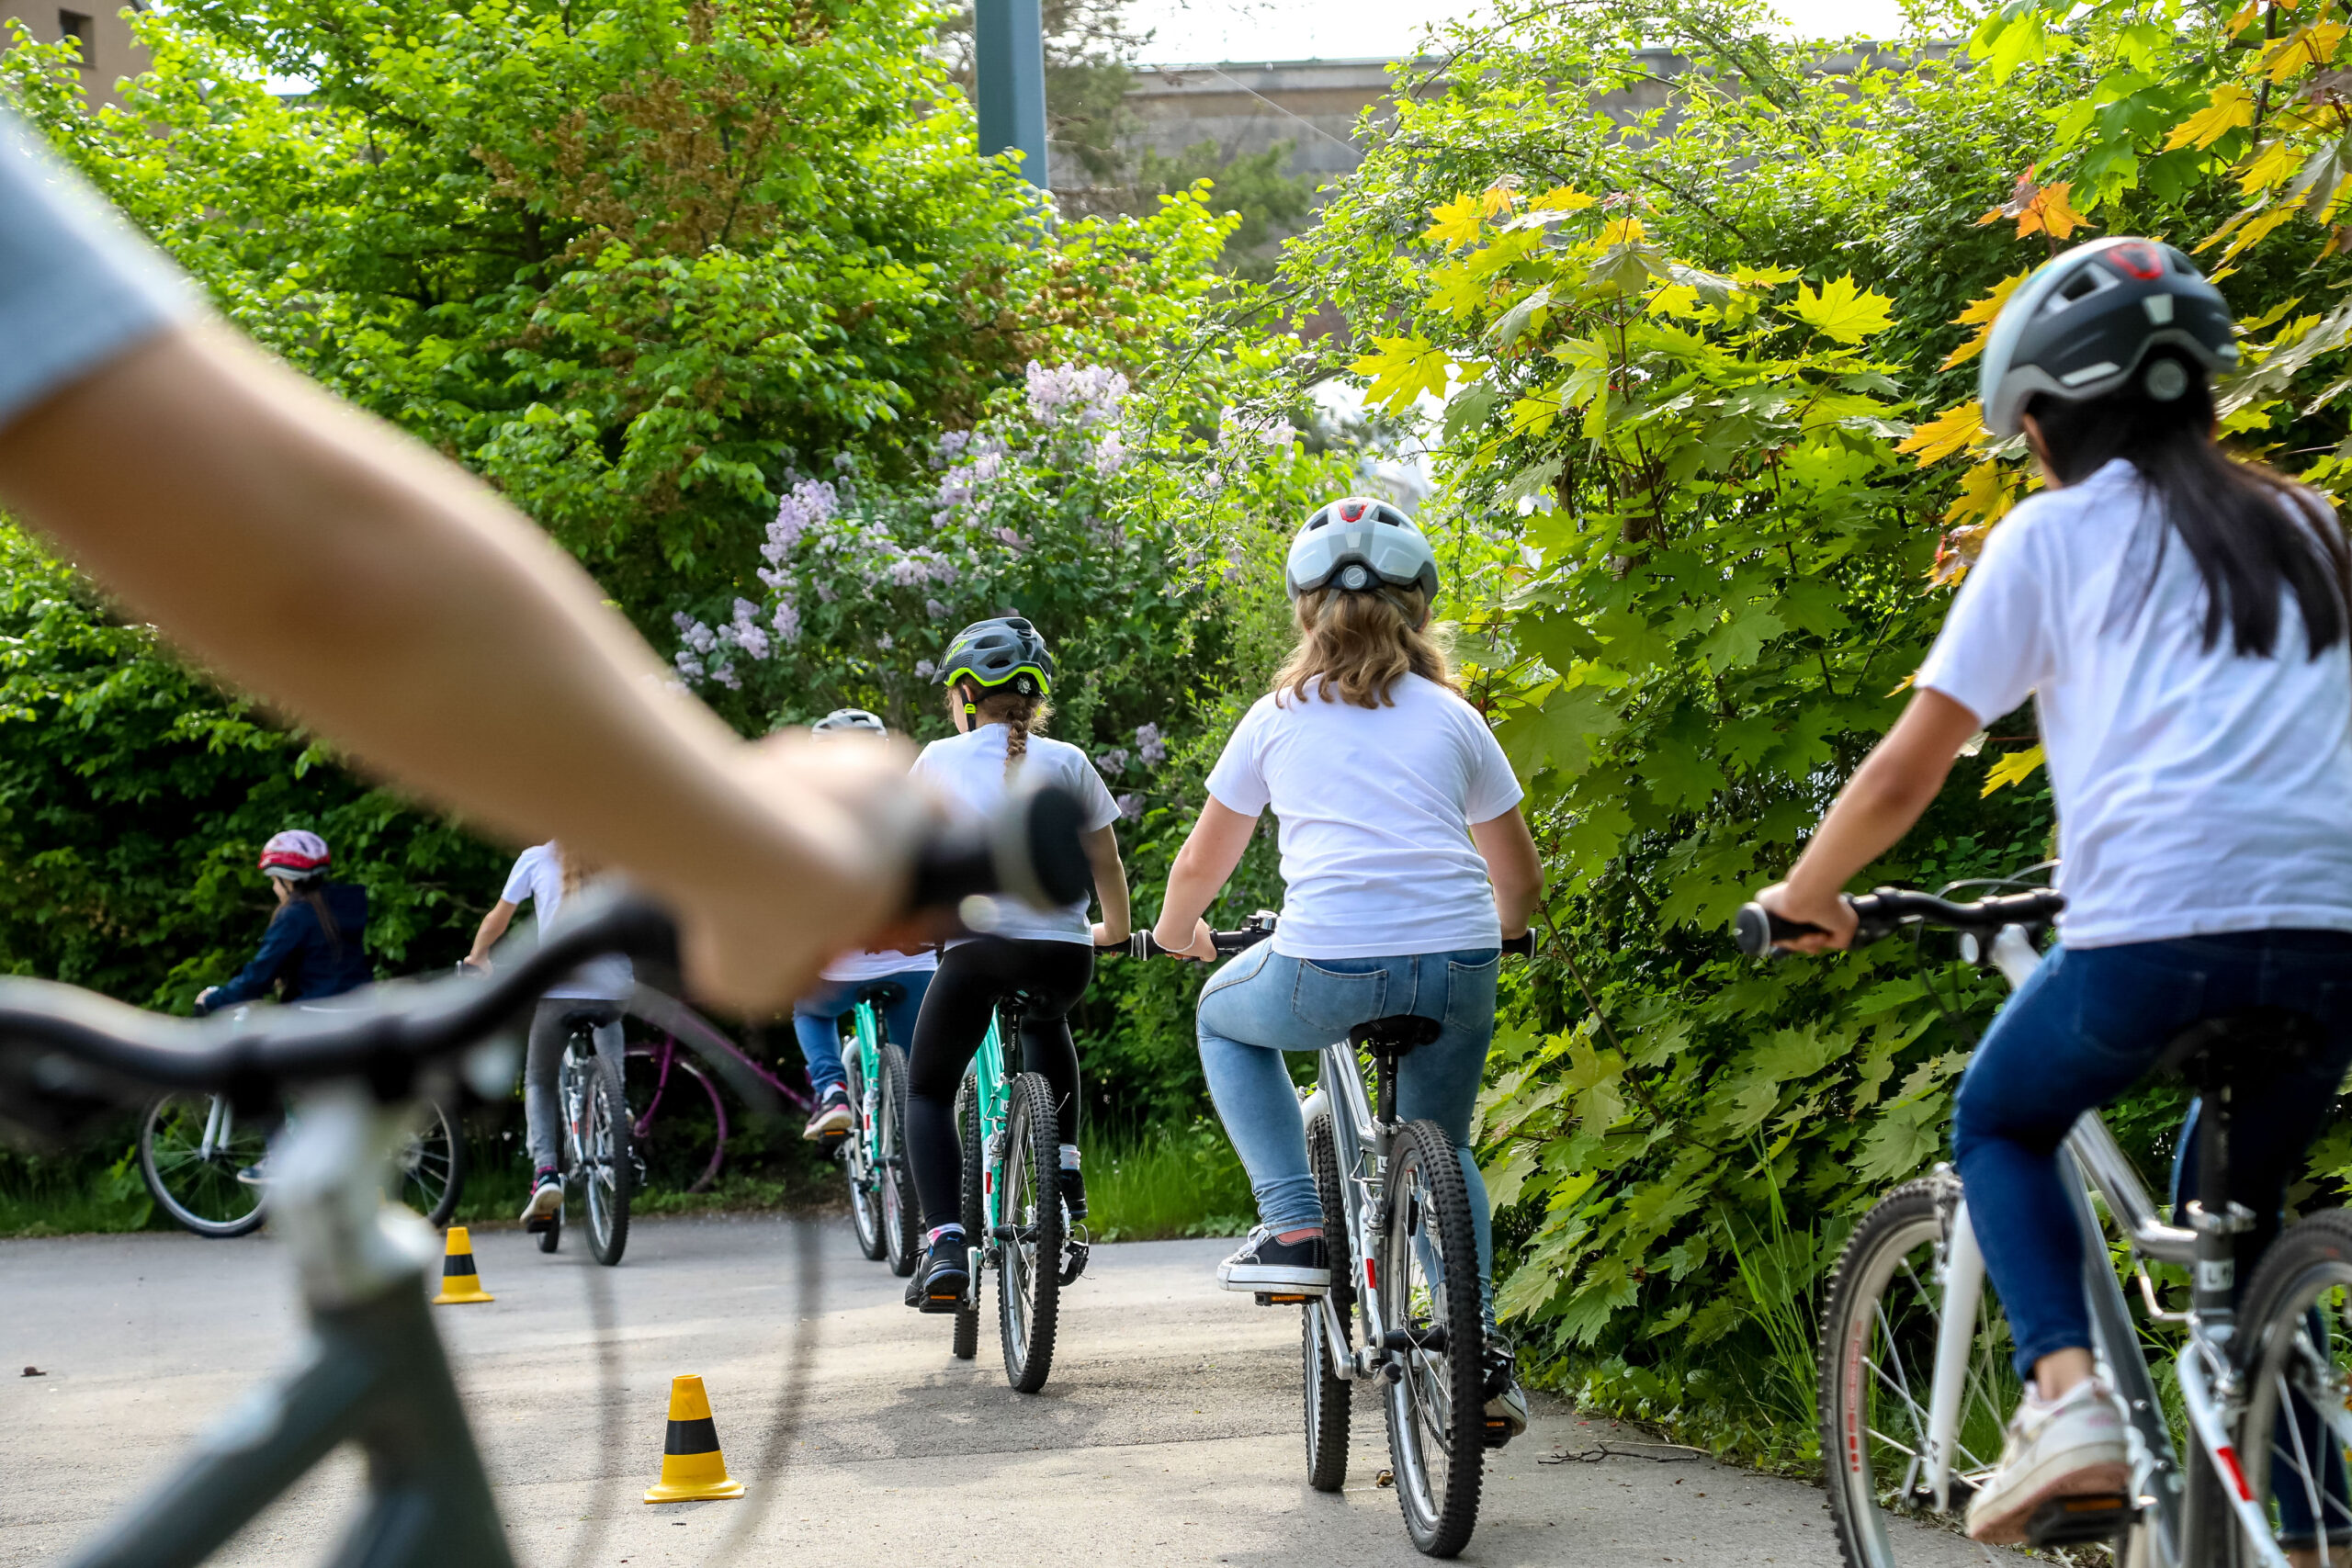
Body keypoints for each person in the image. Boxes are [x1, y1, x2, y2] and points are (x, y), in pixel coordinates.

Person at [0, 110, 927, 1019]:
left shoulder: (407, 890)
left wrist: (751, 854)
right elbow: (335, 578)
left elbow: (333, 580)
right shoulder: (370, 897)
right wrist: (761, 852)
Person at [1748, 238, 2352, 1550]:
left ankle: (2067, 1402)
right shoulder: (2307, 525)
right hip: (2330, 935)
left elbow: (1911, 765)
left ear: (2043, 415)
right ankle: (2309, 1518)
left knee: (2002, 1120)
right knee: (2236, 1233)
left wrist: (1807, 890)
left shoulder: (2053, 535)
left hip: (2155, 932)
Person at [1148, 496, 1544, 1442]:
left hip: (1323, 965)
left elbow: (1202, 861)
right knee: (1446, 1147)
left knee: (1220, 1016)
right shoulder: (1455, 718)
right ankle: (1478, 1349)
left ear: (1304, 609)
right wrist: (1501, 933)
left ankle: (1293, 1223)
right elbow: (1520, 878)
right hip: (1456, 963)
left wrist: (1174, 932)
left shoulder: (1276, 718)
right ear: (1420, 608)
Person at [899, 618, 1129, 1312]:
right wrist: (1113, 932)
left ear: (966, 693)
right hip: (1064, 952)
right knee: (1047, 1020)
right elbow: (1105, 862)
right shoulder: (1069, 760)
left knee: (927, 1090)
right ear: (1034, 698)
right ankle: (1064, 1170)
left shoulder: (937, 759)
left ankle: (945, 1244)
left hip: (978, 952)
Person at [463, 842, 634, 1223]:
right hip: (613, 992)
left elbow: (497, 921)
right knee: (610, 1029)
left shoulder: (536, 859)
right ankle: (616, 1105)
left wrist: (479, 957)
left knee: (539, 1081)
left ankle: (545, 1173)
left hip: (557, 994)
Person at [792, 709, 937, 1141]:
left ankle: (832, 1091)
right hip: (915, 966)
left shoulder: (805, 816)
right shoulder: (918, 807)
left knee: (807, 1009)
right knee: (918, 1082)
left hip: (842, 969)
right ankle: (921, 1138)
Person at [194, 829, 373, 1014]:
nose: (274, 888)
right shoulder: (347, 905)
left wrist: (211, 1001)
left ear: (287, 879)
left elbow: (257, 979)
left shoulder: (294, 917)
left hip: (318, 1018)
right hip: (365, 1012)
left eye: (274, 880)